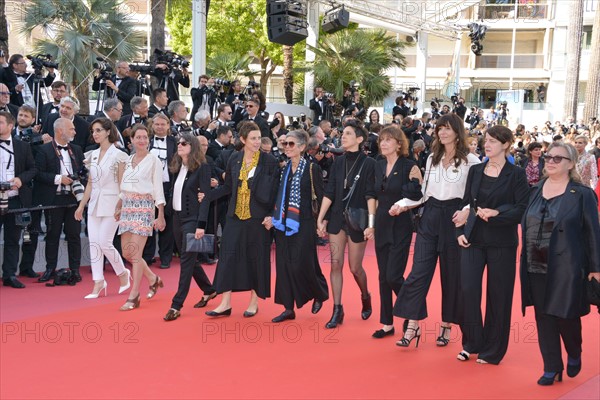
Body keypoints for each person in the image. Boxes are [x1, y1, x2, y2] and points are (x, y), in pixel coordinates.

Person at [393, 113, 480, 348]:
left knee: (452, 276)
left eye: (448, 128)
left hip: (454, 219)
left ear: (457, 132)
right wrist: (402, 205)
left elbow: (477, 195)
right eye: (440, 128)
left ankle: (446, 325)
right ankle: (412, 325)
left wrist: (465, 210)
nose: (442, 132)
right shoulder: (432, 158)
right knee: (418, 272)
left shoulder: (472, 161)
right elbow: (424, 193)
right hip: (430, 216)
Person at [519, 141, 600, 385]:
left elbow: (593, 233)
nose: (550, 161)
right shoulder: (534, 191)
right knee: (544, 317)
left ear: (571, 164)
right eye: (548, 157)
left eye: (557, 158)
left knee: (566, 316)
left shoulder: (582, 194)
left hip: (567, 267)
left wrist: (596, 268)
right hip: (535, 264)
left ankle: (574, 351)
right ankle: (551, 366)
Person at [454, 126, 530, 364]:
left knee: (499, 296)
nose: (487, 145)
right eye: (486, 140)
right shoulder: (475, 170)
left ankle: (493, 350)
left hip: (502, 243)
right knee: (468, 291)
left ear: (506, 144)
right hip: (473, 239)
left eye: (493, 141)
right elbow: (466, 204)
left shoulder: (516, 174)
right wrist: (459, 230)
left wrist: (497, 212)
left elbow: (522, 208)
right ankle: (472, 342)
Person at [205, 122, 279, 317]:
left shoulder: (269, 161)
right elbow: (228, 186)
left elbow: (275, 192)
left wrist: (272, 215)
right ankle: (225, 303)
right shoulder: (234, 158)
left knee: (256, 259)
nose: (257, 142)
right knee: (227, 257)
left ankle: (254, 302)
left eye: (259, 138)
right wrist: (208, 195)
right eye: (253, 138)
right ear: (243, 140)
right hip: (235, 215)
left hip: (259, 218)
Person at [316, 120, 376, 329]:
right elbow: (330, 191)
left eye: (349, 134)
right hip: (337, 219)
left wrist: (371, 224)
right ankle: (337, 309)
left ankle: (365, 295)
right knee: (335, 264)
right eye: (343, 133)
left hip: (358, 221)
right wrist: (320, 218)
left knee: (355, 267)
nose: (344, 136)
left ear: (359, 139)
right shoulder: (338, 162)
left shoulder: (369, 164)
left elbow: (371, 196)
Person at [266, 130, 329, 323]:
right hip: (283, 224)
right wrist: (271, 216)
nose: (287, 147)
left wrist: (322, 222)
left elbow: (322, 194)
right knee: (284, 265)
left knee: (303, 263)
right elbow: (277, 195)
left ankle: (319, 293)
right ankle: (288, 307)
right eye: (285, 144)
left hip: (305, 223)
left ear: (302, 147)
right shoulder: (283, 169)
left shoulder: (312, 169)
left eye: (291, 144)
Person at [372, 125, 422, 338]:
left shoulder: (409, 166)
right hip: (381, 222)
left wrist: (402, 203)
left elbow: (418, 196)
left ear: (399, 144)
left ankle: (413, 313)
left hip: (401, 224)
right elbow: (371, 195)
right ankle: (387, 323)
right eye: (382, 139)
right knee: (383, 276)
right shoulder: (378, 164)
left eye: (388, 140)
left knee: (394, 275)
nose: (383, 143)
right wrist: (370, 223)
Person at [74, 118, 131, 298]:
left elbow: (123, 184)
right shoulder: (92, 154)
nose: (95, 134)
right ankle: (98, 282)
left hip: (113, 204)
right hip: (94, 205)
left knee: (105, 243)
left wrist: (121, 205)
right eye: (93, 131)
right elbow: (90, 184)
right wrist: (81, 205)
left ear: (108, 131)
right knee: (94, 244)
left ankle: (122, 273)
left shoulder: (120, 155)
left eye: (98, 130)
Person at [163, 133, 213, 321]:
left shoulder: (203, 168)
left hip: (192, 220)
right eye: (178, 143)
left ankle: (176, 304)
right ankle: (209, 289)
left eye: (184, 143)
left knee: (185, 260)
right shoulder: (177, 167)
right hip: (177, 218)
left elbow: (206, 198)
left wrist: (201, 225)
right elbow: (172, 194)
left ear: (192, 146)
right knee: (190, 259)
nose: (180, 145)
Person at [116, 124, 166, 311]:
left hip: (145, 207)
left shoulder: (154, 160)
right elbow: (124, 187)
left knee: (136, 253)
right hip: (128, 207)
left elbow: (158, 189)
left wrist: (160, 214)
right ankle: (153, 279)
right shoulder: (128, 161)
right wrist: (119, 205)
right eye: (138, 137)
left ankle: (134, 295)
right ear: (131, 140)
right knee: (127, 253)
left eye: (145, 137)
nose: (142, 140)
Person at [35, 118, 85, 283]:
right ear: (60, 131)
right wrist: (59, 179)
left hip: (72, 199)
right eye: (71, 129)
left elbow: (83, 171)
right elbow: (38, 173)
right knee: (52, 235)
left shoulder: (76, 149)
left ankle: (75, 270)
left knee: (74, 235)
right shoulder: (44, 150)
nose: (74, 132)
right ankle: (50, 269)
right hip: (53, 199)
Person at [0, 111, 36, 288]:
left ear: (10, 125)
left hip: (15, 199)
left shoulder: (22, 146)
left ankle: (9, 275)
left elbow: (32, 169)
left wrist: (20, 180)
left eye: (0, 122)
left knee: (13, 239)